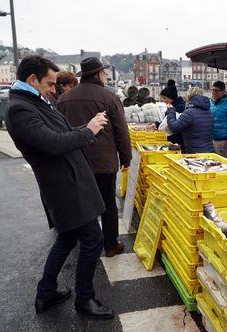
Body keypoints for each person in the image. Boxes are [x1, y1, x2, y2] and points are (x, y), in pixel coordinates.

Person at [5, 55, 114, 319]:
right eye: (50, 84)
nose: (54, 89)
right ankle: (85, 299)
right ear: (33, 80)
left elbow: (61, 134)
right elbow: (53, 143)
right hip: (64, 186)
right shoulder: (20, 108)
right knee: (93, 239)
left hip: (68, 181)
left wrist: (89, 128)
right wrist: (87, 131)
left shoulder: (33, 101)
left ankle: (46, 293)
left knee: (67, 238)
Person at [57, 57, 132, 258]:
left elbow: (58, 130)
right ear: (98, 74)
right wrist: (126, 158)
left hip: (75, 162)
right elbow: (121, 131)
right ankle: (110, 244)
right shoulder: (109, 97)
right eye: (104, 73)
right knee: (107, 203)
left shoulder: (64, 99)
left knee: (81, 203)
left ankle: (84, 242)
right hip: (103, 163)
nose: (105, 76)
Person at [166, 86, 214, 153]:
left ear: (189, 97)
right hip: (209, 150)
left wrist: (171, 111)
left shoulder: (189, 113)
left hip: (195, 152)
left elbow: (174, 127)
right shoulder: (209, 112)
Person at [153, 80, 186, 146]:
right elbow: (167, 121)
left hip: (177, 141)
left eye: (165, 98)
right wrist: (156, 124)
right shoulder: (171, 106)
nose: (164, 101)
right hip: (172, 139)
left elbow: (174, 125)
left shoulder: (180, 108)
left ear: (171, 98)